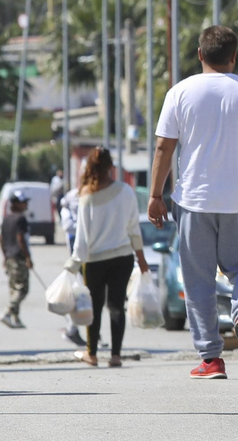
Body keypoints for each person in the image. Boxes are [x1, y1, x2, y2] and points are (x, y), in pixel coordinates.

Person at [148, 25, 238, 381]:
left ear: (200, 54)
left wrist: (156, 195)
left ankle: (211, 358)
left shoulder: (180, 92)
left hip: (195, 201)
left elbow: (163, 147)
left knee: (199, 281)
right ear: (234, 57)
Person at [66, 146, 148, 367]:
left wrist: (73, 263)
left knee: (93, 306)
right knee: (116, 305)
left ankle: (91, 354)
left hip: (94, 261)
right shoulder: (126, 191)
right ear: (111, 166)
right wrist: (141, 258)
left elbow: (81, 237)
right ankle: (115, 355)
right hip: (123, 258)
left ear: (90, 167)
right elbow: (134, 228)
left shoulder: (86, 196)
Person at [0, 190, 33, 329]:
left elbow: (1, 239)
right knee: (22, 289)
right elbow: (20, 239)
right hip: (19, 257)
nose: (26, 205)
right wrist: (27, 257)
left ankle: (16, 318)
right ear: (16, 204)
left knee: (14, 289)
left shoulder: (6, 218)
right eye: (23, 203)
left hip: (9, 257)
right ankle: (8, 311)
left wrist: (5, 256)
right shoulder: (20, 219)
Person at [58, 190, 85, 346]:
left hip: (93, 252)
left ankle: (84, 330)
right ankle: (72, 329)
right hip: (78, 258)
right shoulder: (67, 213)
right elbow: (69, 227)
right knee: (82, 294)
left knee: (91, 296)